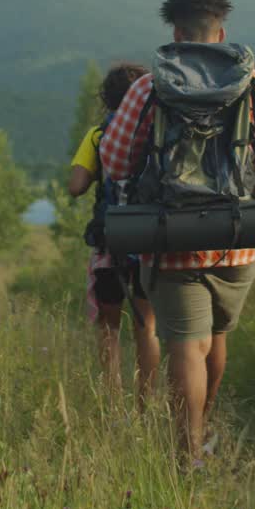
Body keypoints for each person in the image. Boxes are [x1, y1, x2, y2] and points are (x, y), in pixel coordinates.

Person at [100, 0, 255, 460]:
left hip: (170, 235)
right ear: (221, 31)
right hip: (239, 237)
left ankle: (187, 456)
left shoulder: (149, 86)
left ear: (177, 32)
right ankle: (202, 434)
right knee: (215, 339)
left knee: (186, 343)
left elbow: (117, 161)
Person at [67, 63, 159, 405]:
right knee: (146, 326)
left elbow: (75, 186)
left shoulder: (98, 134)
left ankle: (111, 401)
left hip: (110, 241)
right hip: (149, 241)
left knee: (109, 327)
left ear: (107, 98)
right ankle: (145, 403)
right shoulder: (157, 132)